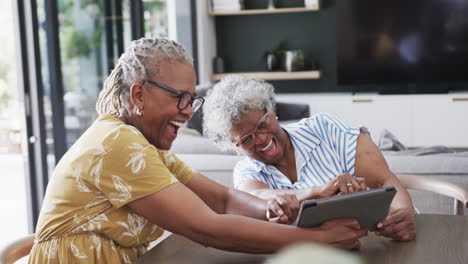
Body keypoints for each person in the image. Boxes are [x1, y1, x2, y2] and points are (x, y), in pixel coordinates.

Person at [28, 38, 368, 264]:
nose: (189, 110)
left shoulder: (147, 150)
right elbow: (208, 227)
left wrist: (276, 206)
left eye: (192, 99)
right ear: (138, 95)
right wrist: (316, 240)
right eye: (180, 97)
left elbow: (224, 201)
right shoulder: (116, 144)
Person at [203, 75, 416, 242]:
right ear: (234, 146)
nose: (260, 139)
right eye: (246, 140)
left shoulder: (324, 129)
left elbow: (384, 181)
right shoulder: (247, 171)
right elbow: (256, 197)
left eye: (262, 124)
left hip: (381, 243)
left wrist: (404, 216)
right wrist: (316, 192)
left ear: (272, 112)